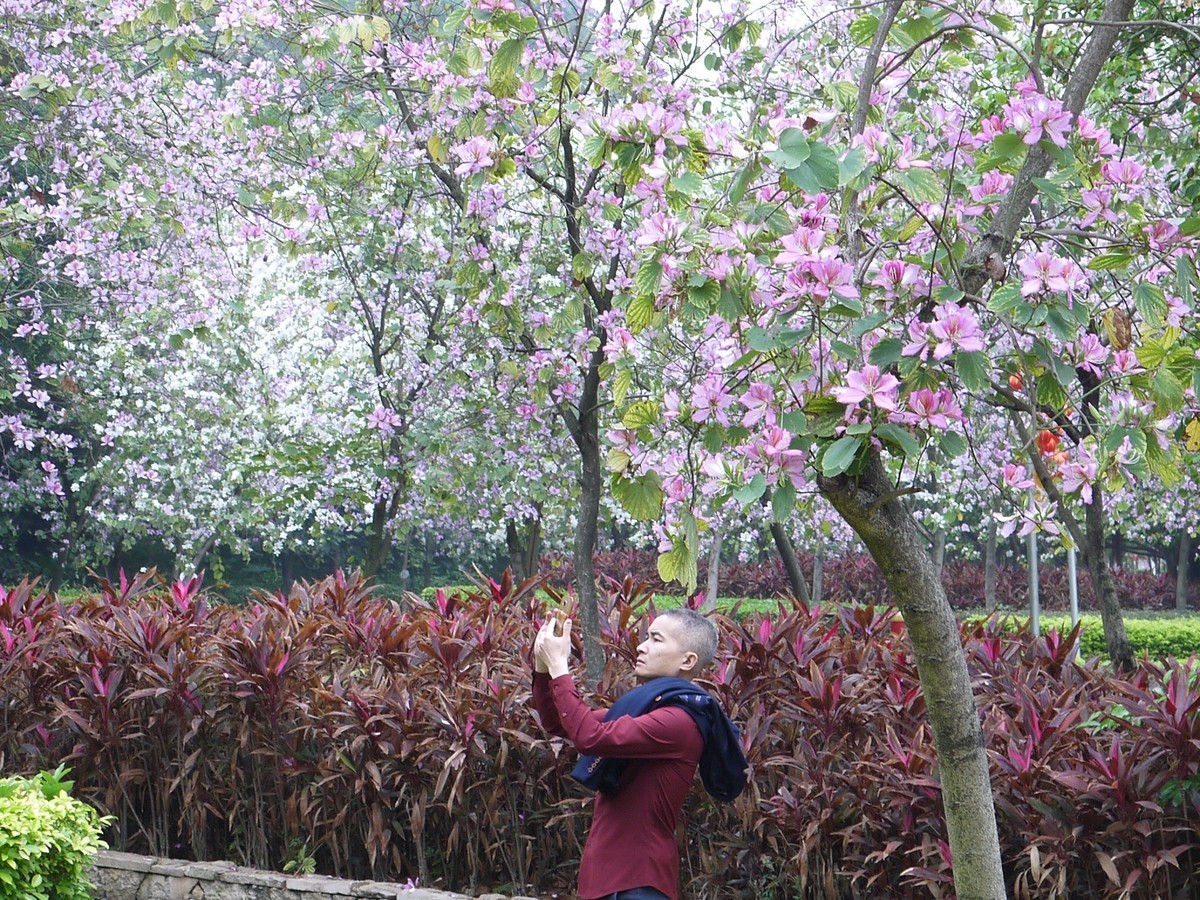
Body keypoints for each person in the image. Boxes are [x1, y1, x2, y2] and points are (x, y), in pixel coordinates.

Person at [531, 607, 748, 900]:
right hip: (609, 878)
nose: (642, 647)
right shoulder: (649, 711)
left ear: (688, 660)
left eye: (656, 639)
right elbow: (559, 722)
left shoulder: (679, 722)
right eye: (647, 637)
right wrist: (543, 665)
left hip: (638, 882)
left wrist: (560, 667)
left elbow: (589, 737)